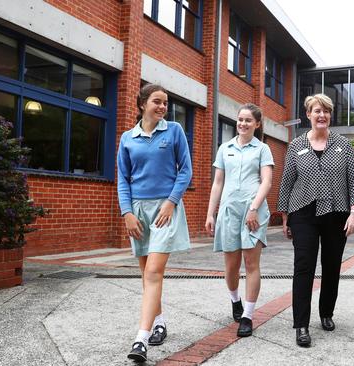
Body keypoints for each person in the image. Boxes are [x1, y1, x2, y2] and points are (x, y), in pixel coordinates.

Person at [277, 93, 354, 347]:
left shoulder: (343, 145)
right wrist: (284, 216)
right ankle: (301, 324)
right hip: (302, 212)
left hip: (336, 213)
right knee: (303, 267)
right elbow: (287, 181)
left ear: (330, 115)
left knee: (331, 265)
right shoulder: (296, 146)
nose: (322, 115)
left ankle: (326, 312)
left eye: (326, 111)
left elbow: (353, 180)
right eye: (317, 111)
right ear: (308, 114)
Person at [117, 83, 192, 362]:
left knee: (153, 273)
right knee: (146, 275)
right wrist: (127, 213)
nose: (162, 107)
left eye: (165, 102)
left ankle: (141, 339)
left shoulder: (174, 131)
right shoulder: (127, 138)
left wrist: (171, 202)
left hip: (165, 210)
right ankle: (159, 322)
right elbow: (123, 179)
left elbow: (185, 170)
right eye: (157, 102)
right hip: (137, 212)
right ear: (142, 104)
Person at [205, 103, 274, 337]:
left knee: (251, 263)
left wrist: (254, 208)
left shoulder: (263, 149)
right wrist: (210, 213)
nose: (243, 124)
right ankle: (235, 300)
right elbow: (218, 183)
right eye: (240, 119)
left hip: (253, 212)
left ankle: (248, 315)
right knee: (231, 265)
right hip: (229, 211)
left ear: (257, 124)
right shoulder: (225, 148)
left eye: (248, 120)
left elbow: (266, 182)